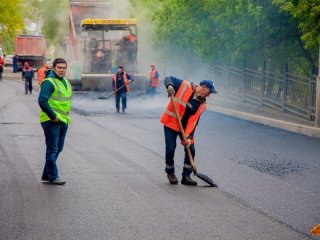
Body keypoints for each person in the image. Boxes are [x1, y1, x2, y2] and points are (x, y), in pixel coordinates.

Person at [160, 76, 217, 186]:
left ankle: (186, 176)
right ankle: (170, 173)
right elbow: (168, 78)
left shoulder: (202, 105)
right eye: (209, 92)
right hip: (171, 123)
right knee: (171, 148)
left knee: (191, 149)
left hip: (184, 129)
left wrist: (189, 138)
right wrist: (170, 86)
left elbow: (193, 122)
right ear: (204, 88)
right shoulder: (184, 86)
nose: (209, 95)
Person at [38, 58, 72, 185]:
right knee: (52, 149)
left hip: (63, 121)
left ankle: (47, 174)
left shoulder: (66, 82)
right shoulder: (49, 82)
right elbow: (42, 101)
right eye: (59, 67)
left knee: (59, 148)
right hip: (51, 120)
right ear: (54, 68)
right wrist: (53, 116)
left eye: (64, 68)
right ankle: (53, 176)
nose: (62, 70)